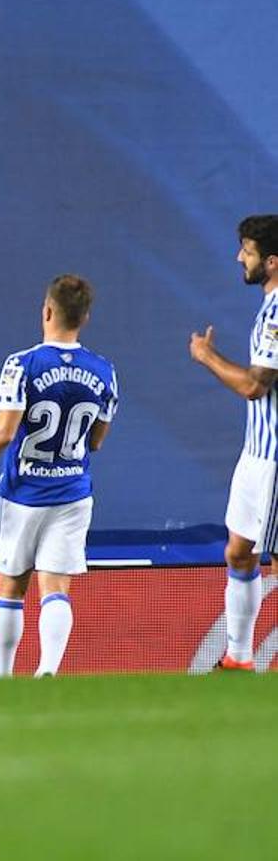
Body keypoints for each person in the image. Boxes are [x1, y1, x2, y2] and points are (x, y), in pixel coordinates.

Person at [0, 275, 118, 677]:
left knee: (11, 588)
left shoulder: (22, 364)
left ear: (47, 311)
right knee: (55, 588)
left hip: (23, 494)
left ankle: (4, 677)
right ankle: (48, 672)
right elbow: (96, 442)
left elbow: (3, 433)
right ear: (85, 317)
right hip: (73, 493)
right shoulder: (105, 371)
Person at [188, 214, 278, 671]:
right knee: (239, 552)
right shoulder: (269, 306)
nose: (239, 257)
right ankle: (239, 659)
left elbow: (254, 386)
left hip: (276, 459)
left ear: (273, 261)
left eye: (247, 250)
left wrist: (206, 358)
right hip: (256, 453)